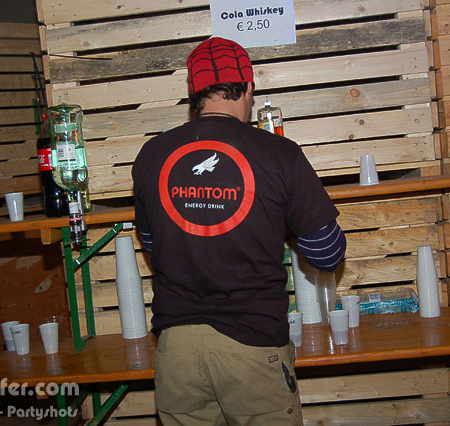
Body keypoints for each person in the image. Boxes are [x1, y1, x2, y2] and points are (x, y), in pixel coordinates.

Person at [132, 37, 346, 426]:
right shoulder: (279, 153)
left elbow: (152, 245)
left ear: (194, 94)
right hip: (253, 344)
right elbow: (327, 253)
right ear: (249, 87)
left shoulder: (152, 155)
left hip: (176, 349)